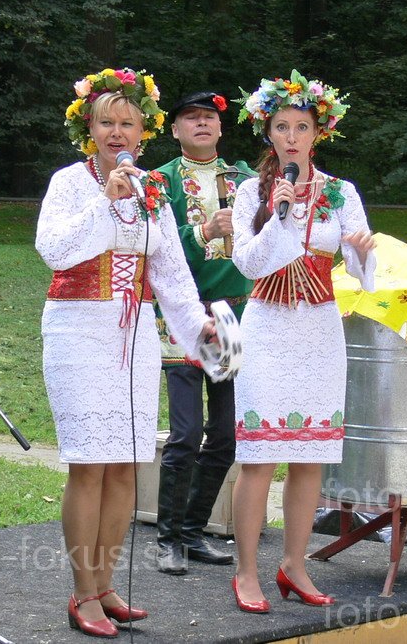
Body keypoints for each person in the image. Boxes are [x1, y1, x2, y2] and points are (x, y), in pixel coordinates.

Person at [36, 68, 215, 638]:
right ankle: (81, 592)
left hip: (134, 334)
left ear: (144, 133)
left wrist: (203, 333)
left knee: (125, 464)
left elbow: (172, 276)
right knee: (89, 463)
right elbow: (54, 250)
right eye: (106, 123)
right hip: (77, 330)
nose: (117, 134)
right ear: (88, 129)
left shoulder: (155, 194)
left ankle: (108, 584)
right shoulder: (69, 183)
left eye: (127, 125)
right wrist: (104, 204)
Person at [228, 70, 376, 613]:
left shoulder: (341, 192)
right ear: (269, 133)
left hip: (317, 328)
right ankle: (246, 571)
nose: (292, 136)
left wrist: (360, 247)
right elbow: (247, 261)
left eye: (302, 126)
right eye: (282, 126)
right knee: (261, 456)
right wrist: (280, 214)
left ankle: (294, 564)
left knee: (310, 455)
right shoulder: (253, 192)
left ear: (319, 133)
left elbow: (362, 271)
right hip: (266, 325)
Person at [153, 92, 256, 575]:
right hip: (182, 316)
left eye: (209, 118)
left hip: (235, 317)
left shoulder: (247, 180)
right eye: (190, 118)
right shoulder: (160, 182)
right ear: (174, 130)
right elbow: (157, 250)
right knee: (186, 432)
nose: (201, 124)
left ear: (220, 128)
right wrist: (205, 232)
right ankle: (167, 539)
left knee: (226, 435)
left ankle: (194, 533)